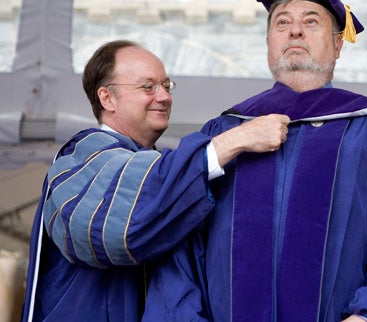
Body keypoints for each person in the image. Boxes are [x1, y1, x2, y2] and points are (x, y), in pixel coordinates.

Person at [144, 0, 367, 322]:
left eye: (311, 21)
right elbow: (180, 252)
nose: (295, 30)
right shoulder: (226, 132)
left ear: (337, 44)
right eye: (281, 22)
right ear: (269, 43)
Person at [20, 40, 290, 321]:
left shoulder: (165, 170)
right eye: (148, 87)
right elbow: (126, 222)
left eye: (166, 86)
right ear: (107, 98)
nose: (164, 97)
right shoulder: (79, 160)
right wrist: (234, 141)